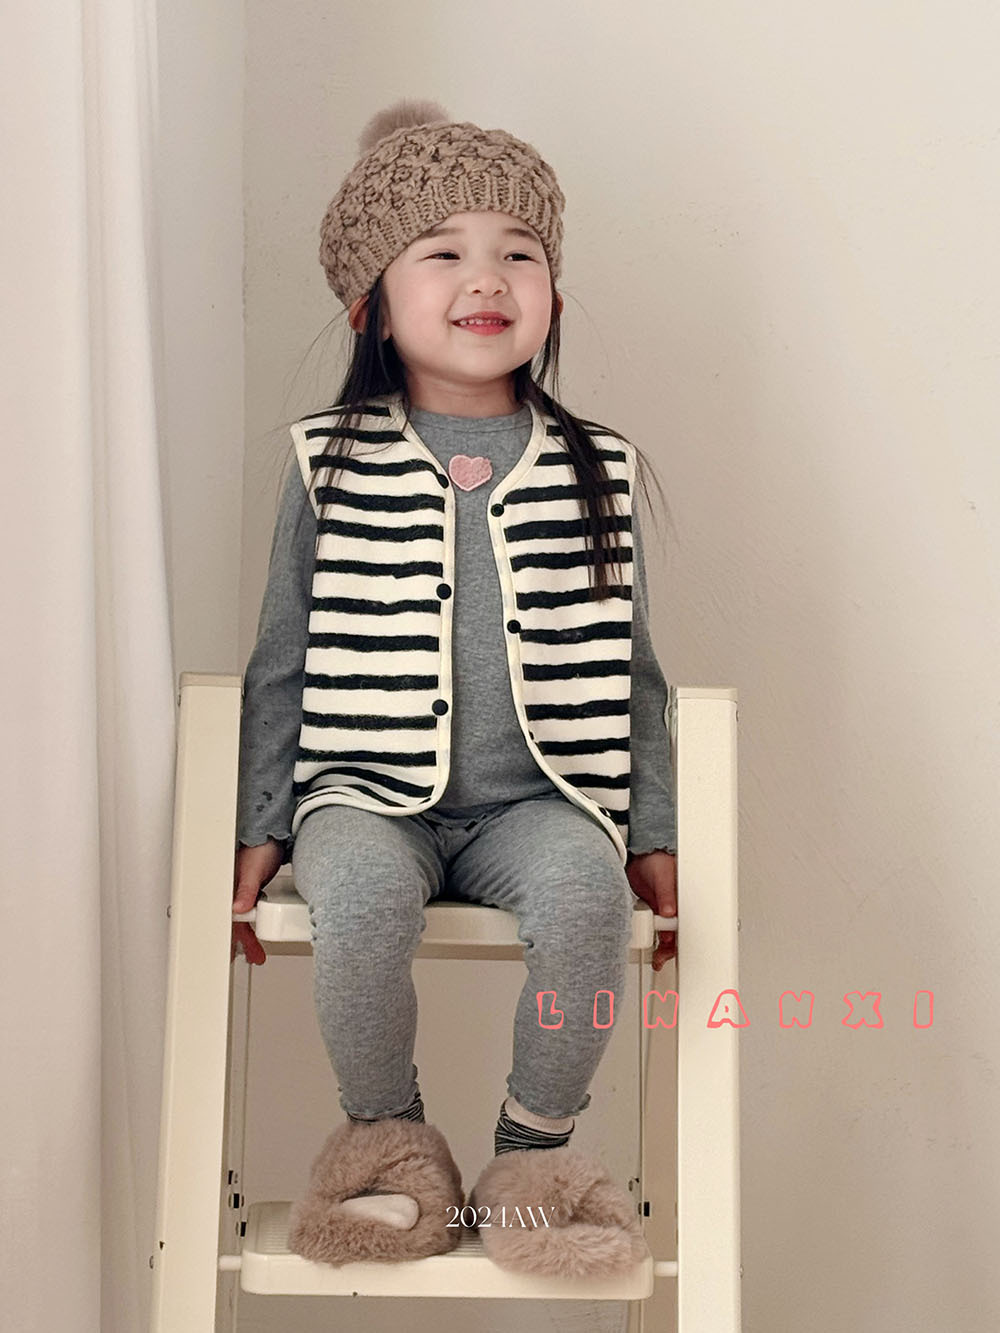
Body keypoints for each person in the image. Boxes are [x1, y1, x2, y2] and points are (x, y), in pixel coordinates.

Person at [230, 98, 678, 1274]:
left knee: (584, 904)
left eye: (518, 253)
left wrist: (651, 832)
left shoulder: (599, 469)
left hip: (541, 799)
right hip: (364, 794)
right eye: (442, 252)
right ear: (370, 305)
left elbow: (634, 672)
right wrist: (261, 825)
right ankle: (387, 1143)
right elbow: (282, 658)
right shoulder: (329, 460)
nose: (486, 277)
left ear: (553, 297)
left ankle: (532, 1155)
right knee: (361, 907)